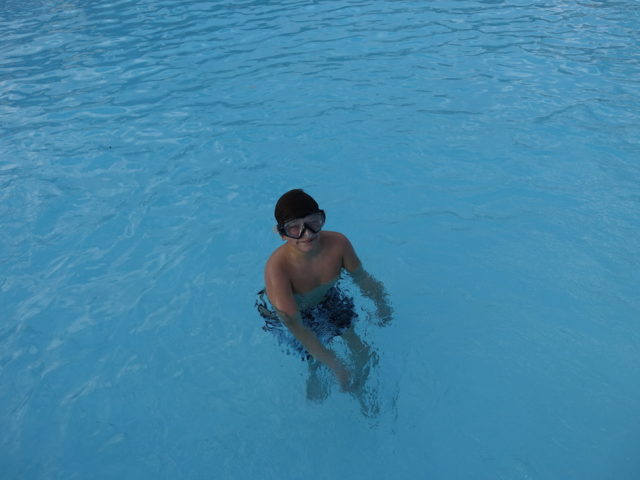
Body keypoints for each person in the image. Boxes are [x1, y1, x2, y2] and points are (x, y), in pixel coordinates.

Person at [257, 189, 392, 393]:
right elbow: (294, 324)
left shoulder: (338, 244)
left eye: (313, 222)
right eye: (294, 228)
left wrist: (382, 305)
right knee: (315, 359)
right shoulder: (278, 269)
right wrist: (335, 364)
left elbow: (362, 278)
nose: (307, 233)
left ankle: (364, 389)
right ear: (282, 233)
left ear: (322, 219)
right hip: (289, 315)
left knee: (359, 347)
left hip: (327, 298)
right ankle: (313, 373)